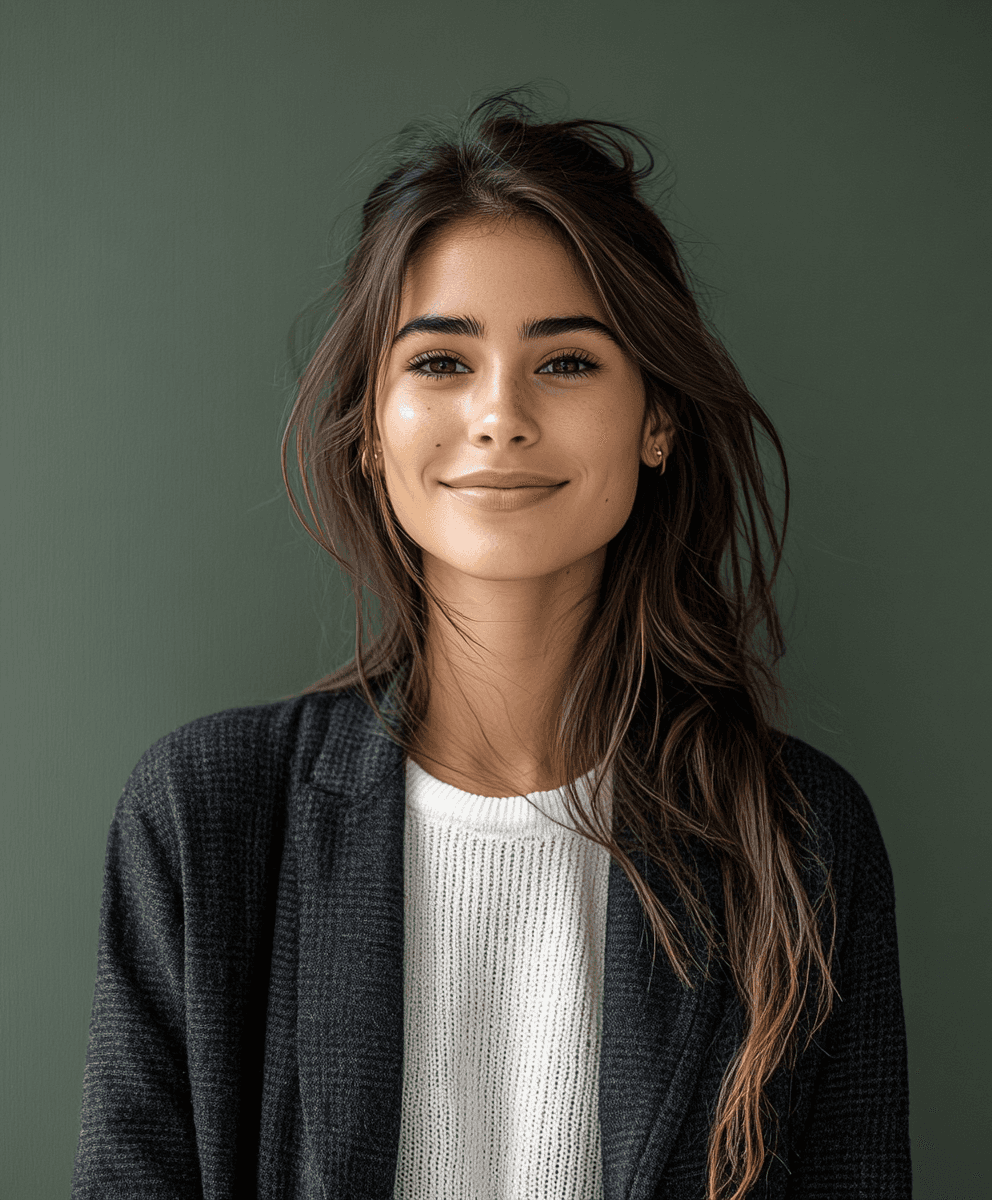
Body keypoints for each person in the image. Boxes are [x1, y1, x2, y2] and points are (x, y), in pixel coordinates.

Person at [71, 88, 912, 1199]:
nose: (499, 414)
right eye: (439, 362)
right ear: (369, 428)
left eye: (566, 362)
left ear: (657, 419)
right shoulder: (202, 816)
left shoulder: (801, 841)